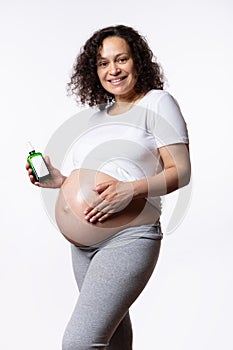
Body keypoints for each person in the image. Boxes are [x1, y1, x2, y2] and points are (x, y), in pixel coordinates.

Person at [26, 25, 191, 350]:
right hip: (83, 247)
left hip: (128, 237)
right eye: (102, 63)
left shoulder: (158, 102)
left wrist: (131, 190)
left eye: (121, 59)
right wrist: (59, 181)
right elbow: (94, 173)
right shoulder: (98, 115)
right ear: (94, 69)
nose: (112, 69)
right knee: (113, 339)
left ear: (137, 61)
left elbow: (181, 171)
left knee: (80, 342)